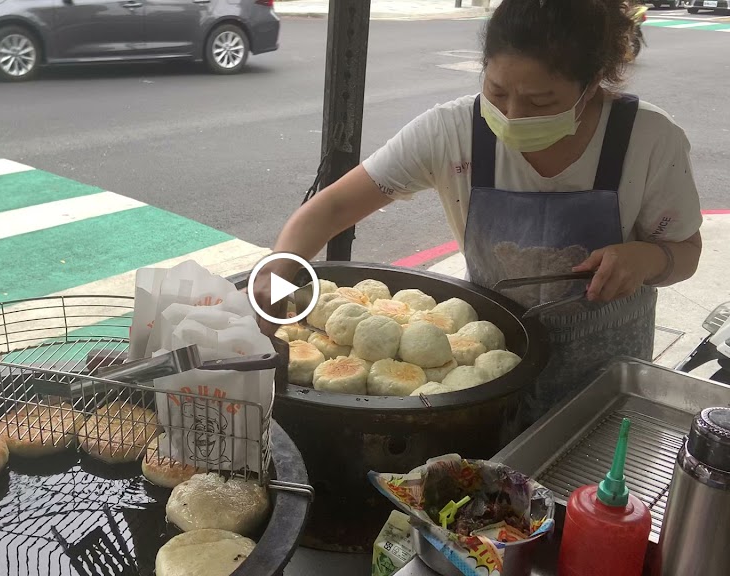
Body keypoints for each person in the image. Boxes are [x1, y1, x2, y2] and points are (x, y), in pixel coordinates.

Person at [254, 0, 703, 422]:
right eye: (497, 90)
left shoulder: (649, 139)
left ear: (593, 82)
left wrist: (647, 259)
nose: (511, 113)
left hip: (604, 377)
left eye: (540, 102)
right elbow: (329, 209)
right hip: (484, 370)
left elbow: (685, 251)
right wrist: (275, 277)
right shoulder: (453, 131)